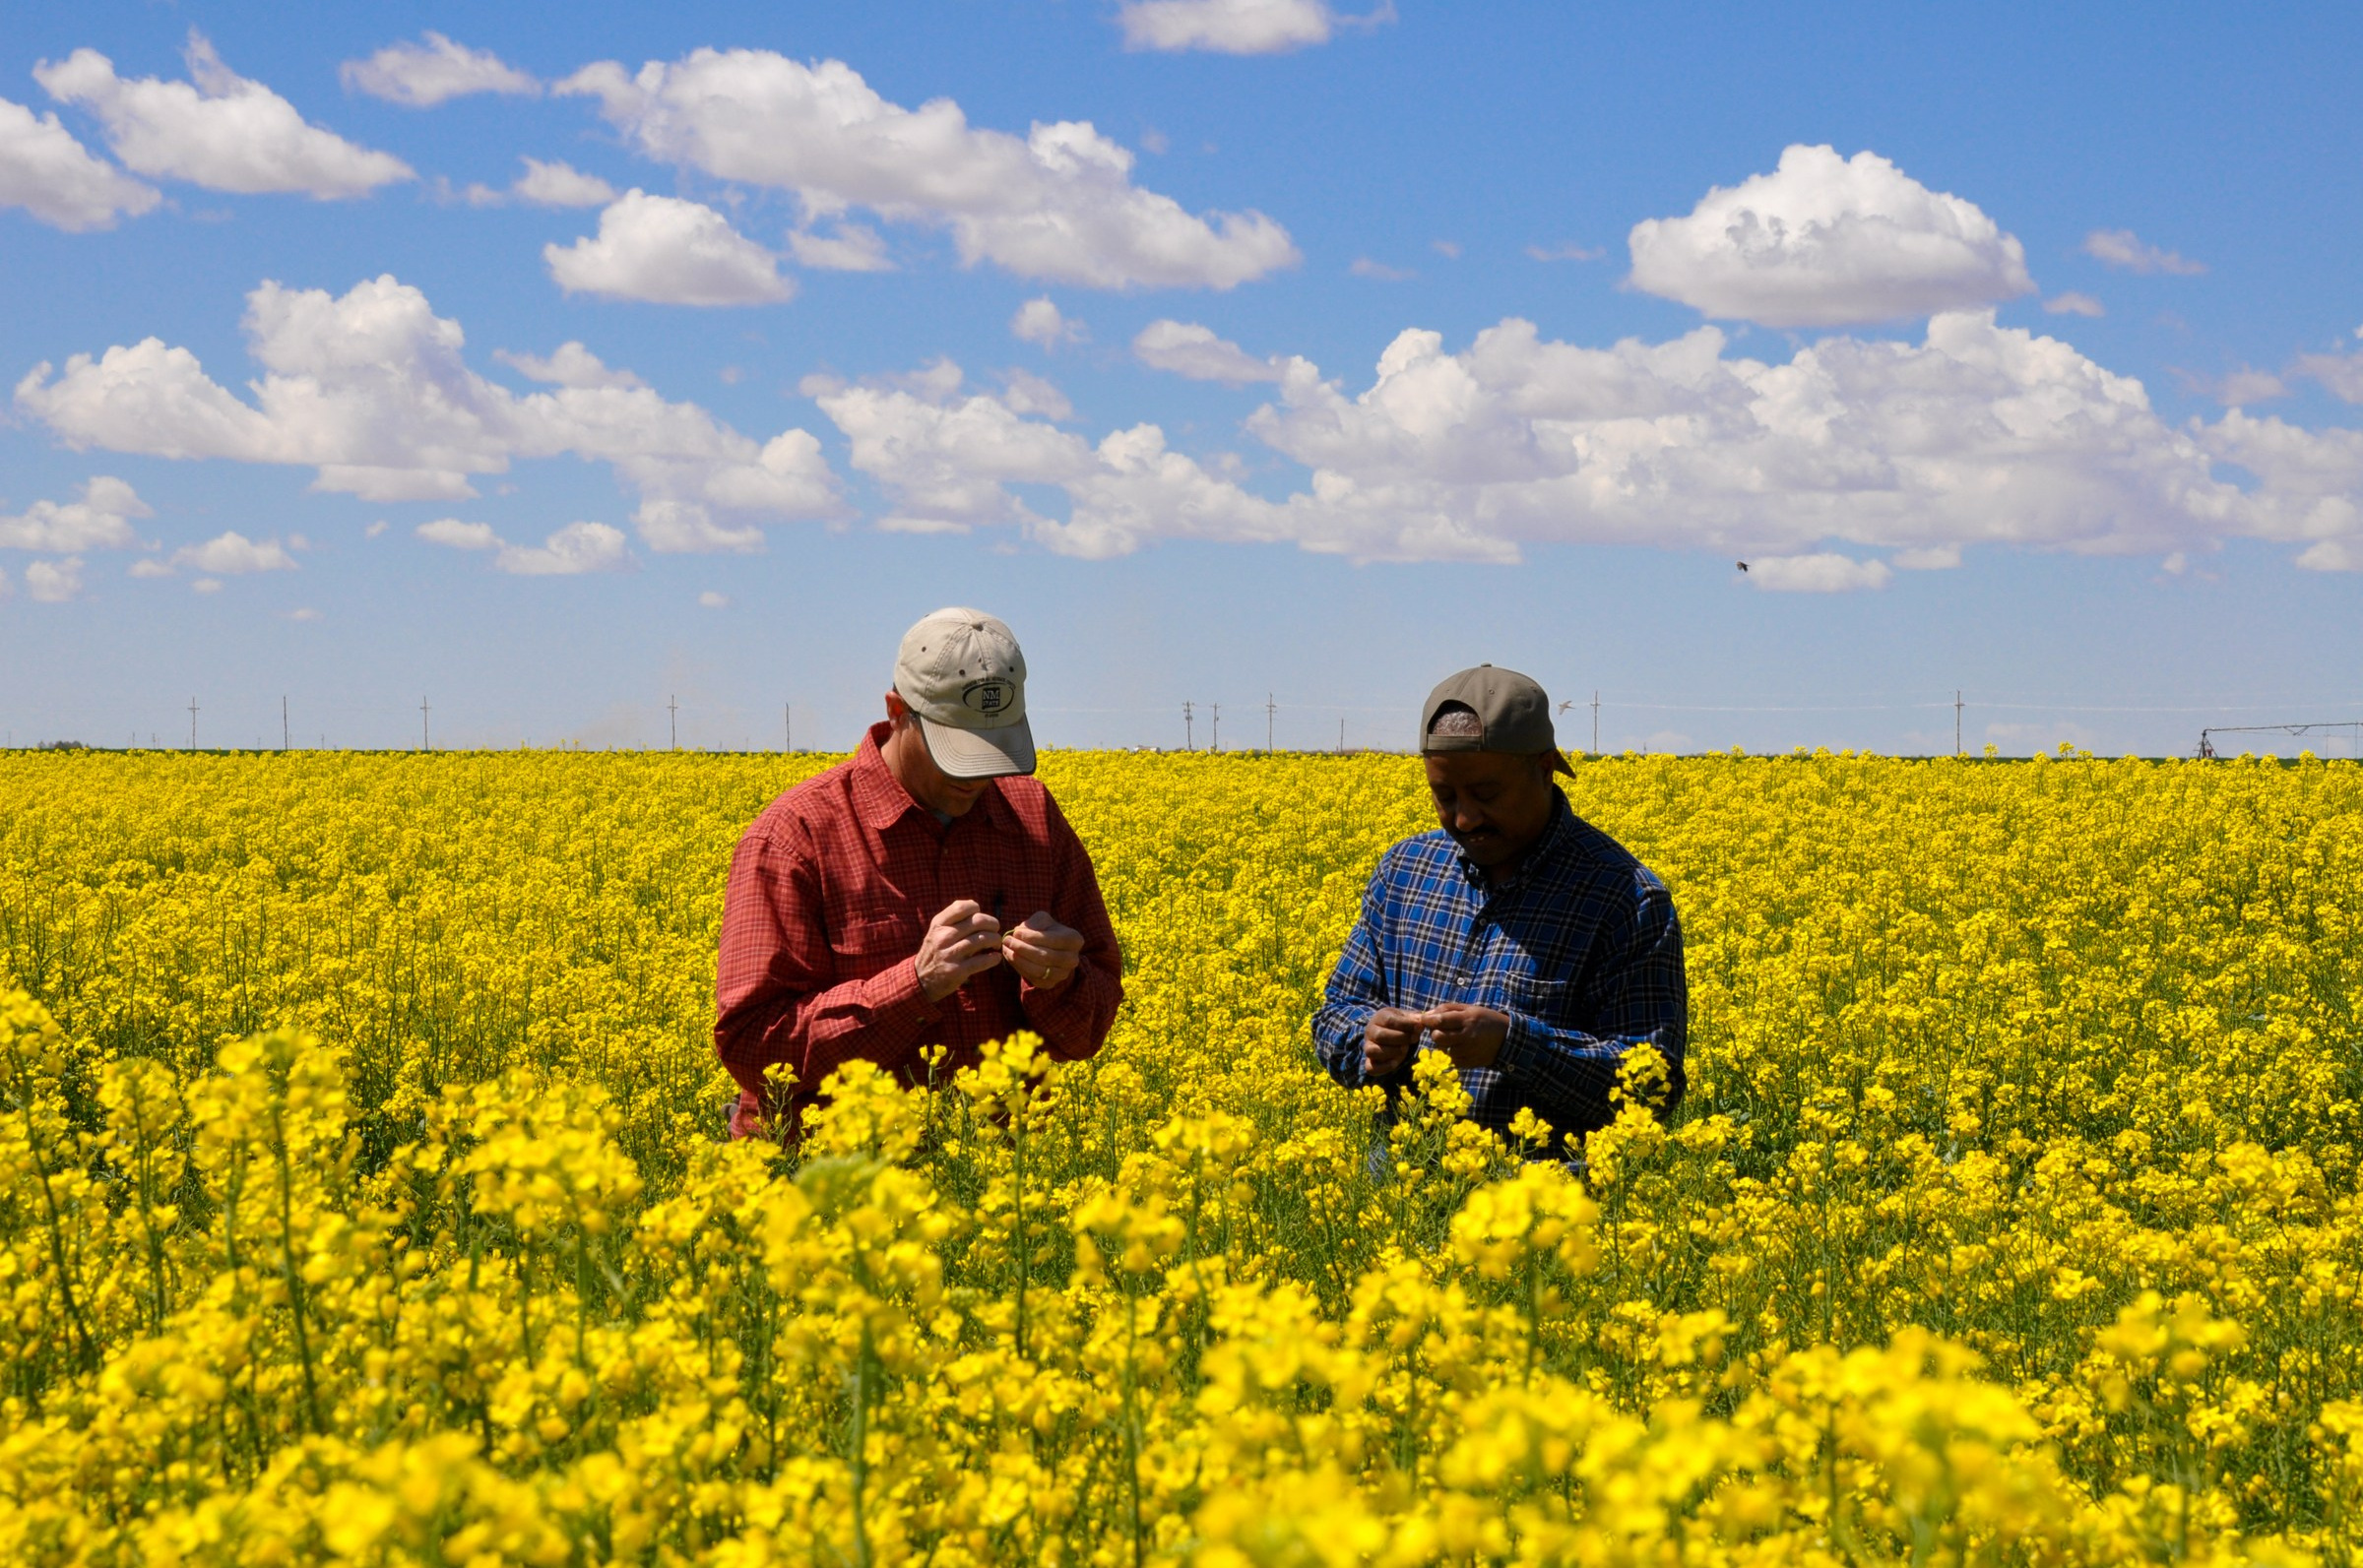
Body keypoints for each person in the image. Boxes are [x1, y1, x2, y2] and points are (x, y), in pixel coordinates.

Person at [714, 607, 1123, 1139]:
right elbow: (751, 1044)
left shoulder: (1033, 819)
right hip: (827, 1191)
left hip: (1000, 1187)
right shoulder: (796, 838)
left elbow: (1090, 1027)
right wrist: (914, 986)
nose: (977, 777)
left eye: (994, 748)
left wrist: (1058, 982)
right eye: (957, 751)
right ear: (898, 711)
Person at [1312, 664, 1687, 1157]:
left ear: (1545, 767)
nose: (1465, 818)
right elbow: (1335, 1013)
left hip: (1543, 1212)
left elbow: (1650, 1086)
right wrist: (1367, 1039)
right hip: (1397, 1201)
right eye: (1444, 797)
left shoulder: (1625, 898)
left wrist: (1513, 1044)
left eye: (1487, 795)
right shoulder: (1404, 871)